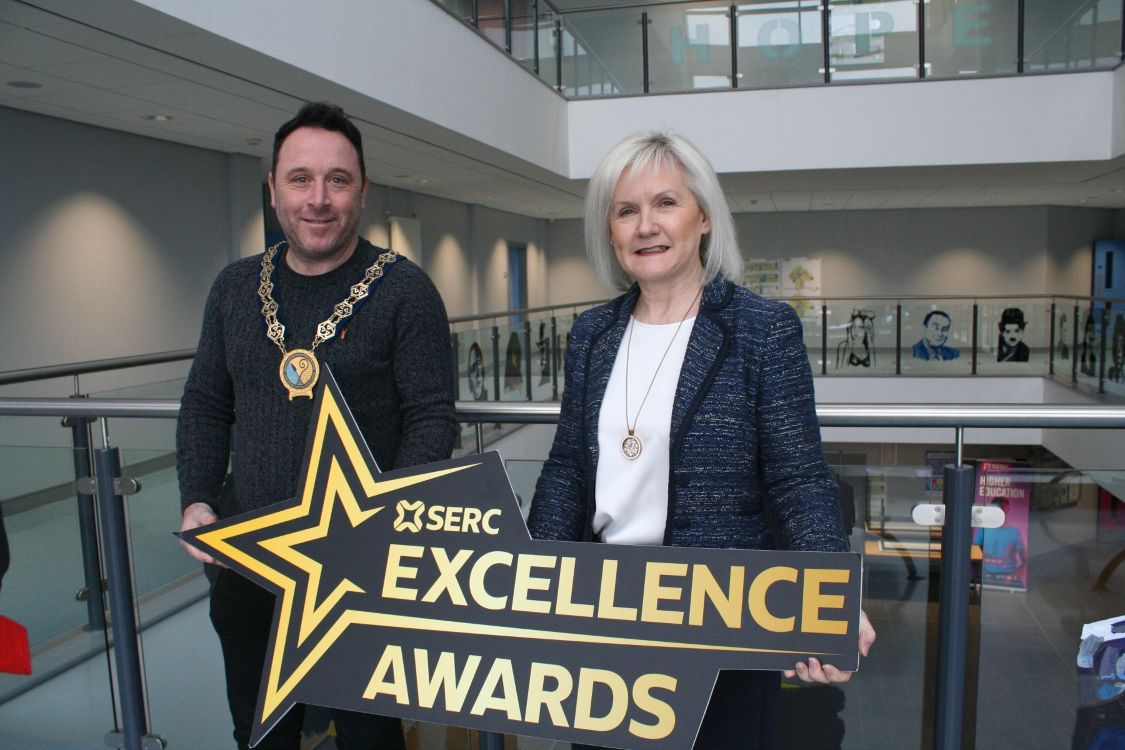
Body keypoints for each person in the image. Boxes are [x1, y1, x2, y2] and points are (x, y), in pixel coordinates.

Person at [526, 132, 875, 750]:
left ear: (704, 216)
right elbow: (568, 472)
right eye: (625, 210)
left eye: (665, 203)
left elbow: (798, 479)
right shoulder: (591, 334)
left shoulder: (762, 330)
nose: (645, 226)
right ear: (609, 230)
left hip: (719, 612)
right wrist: (531, 584)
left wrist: (829, 598)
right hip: (605, 609)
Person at [176, 102, 457, 750]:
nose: (319, 198)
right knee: (260, 731)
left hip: (359, 575)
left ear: (361, 192)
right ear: (272, 190)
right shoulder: (235, 287)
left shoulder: (404, 291)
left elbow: (429, 418)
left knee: (367, 736)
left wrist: (384, 520)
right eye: (300, 178)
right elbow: (206, 404)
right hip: (249, 562)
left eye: (338, 179)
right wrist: (196, 497)